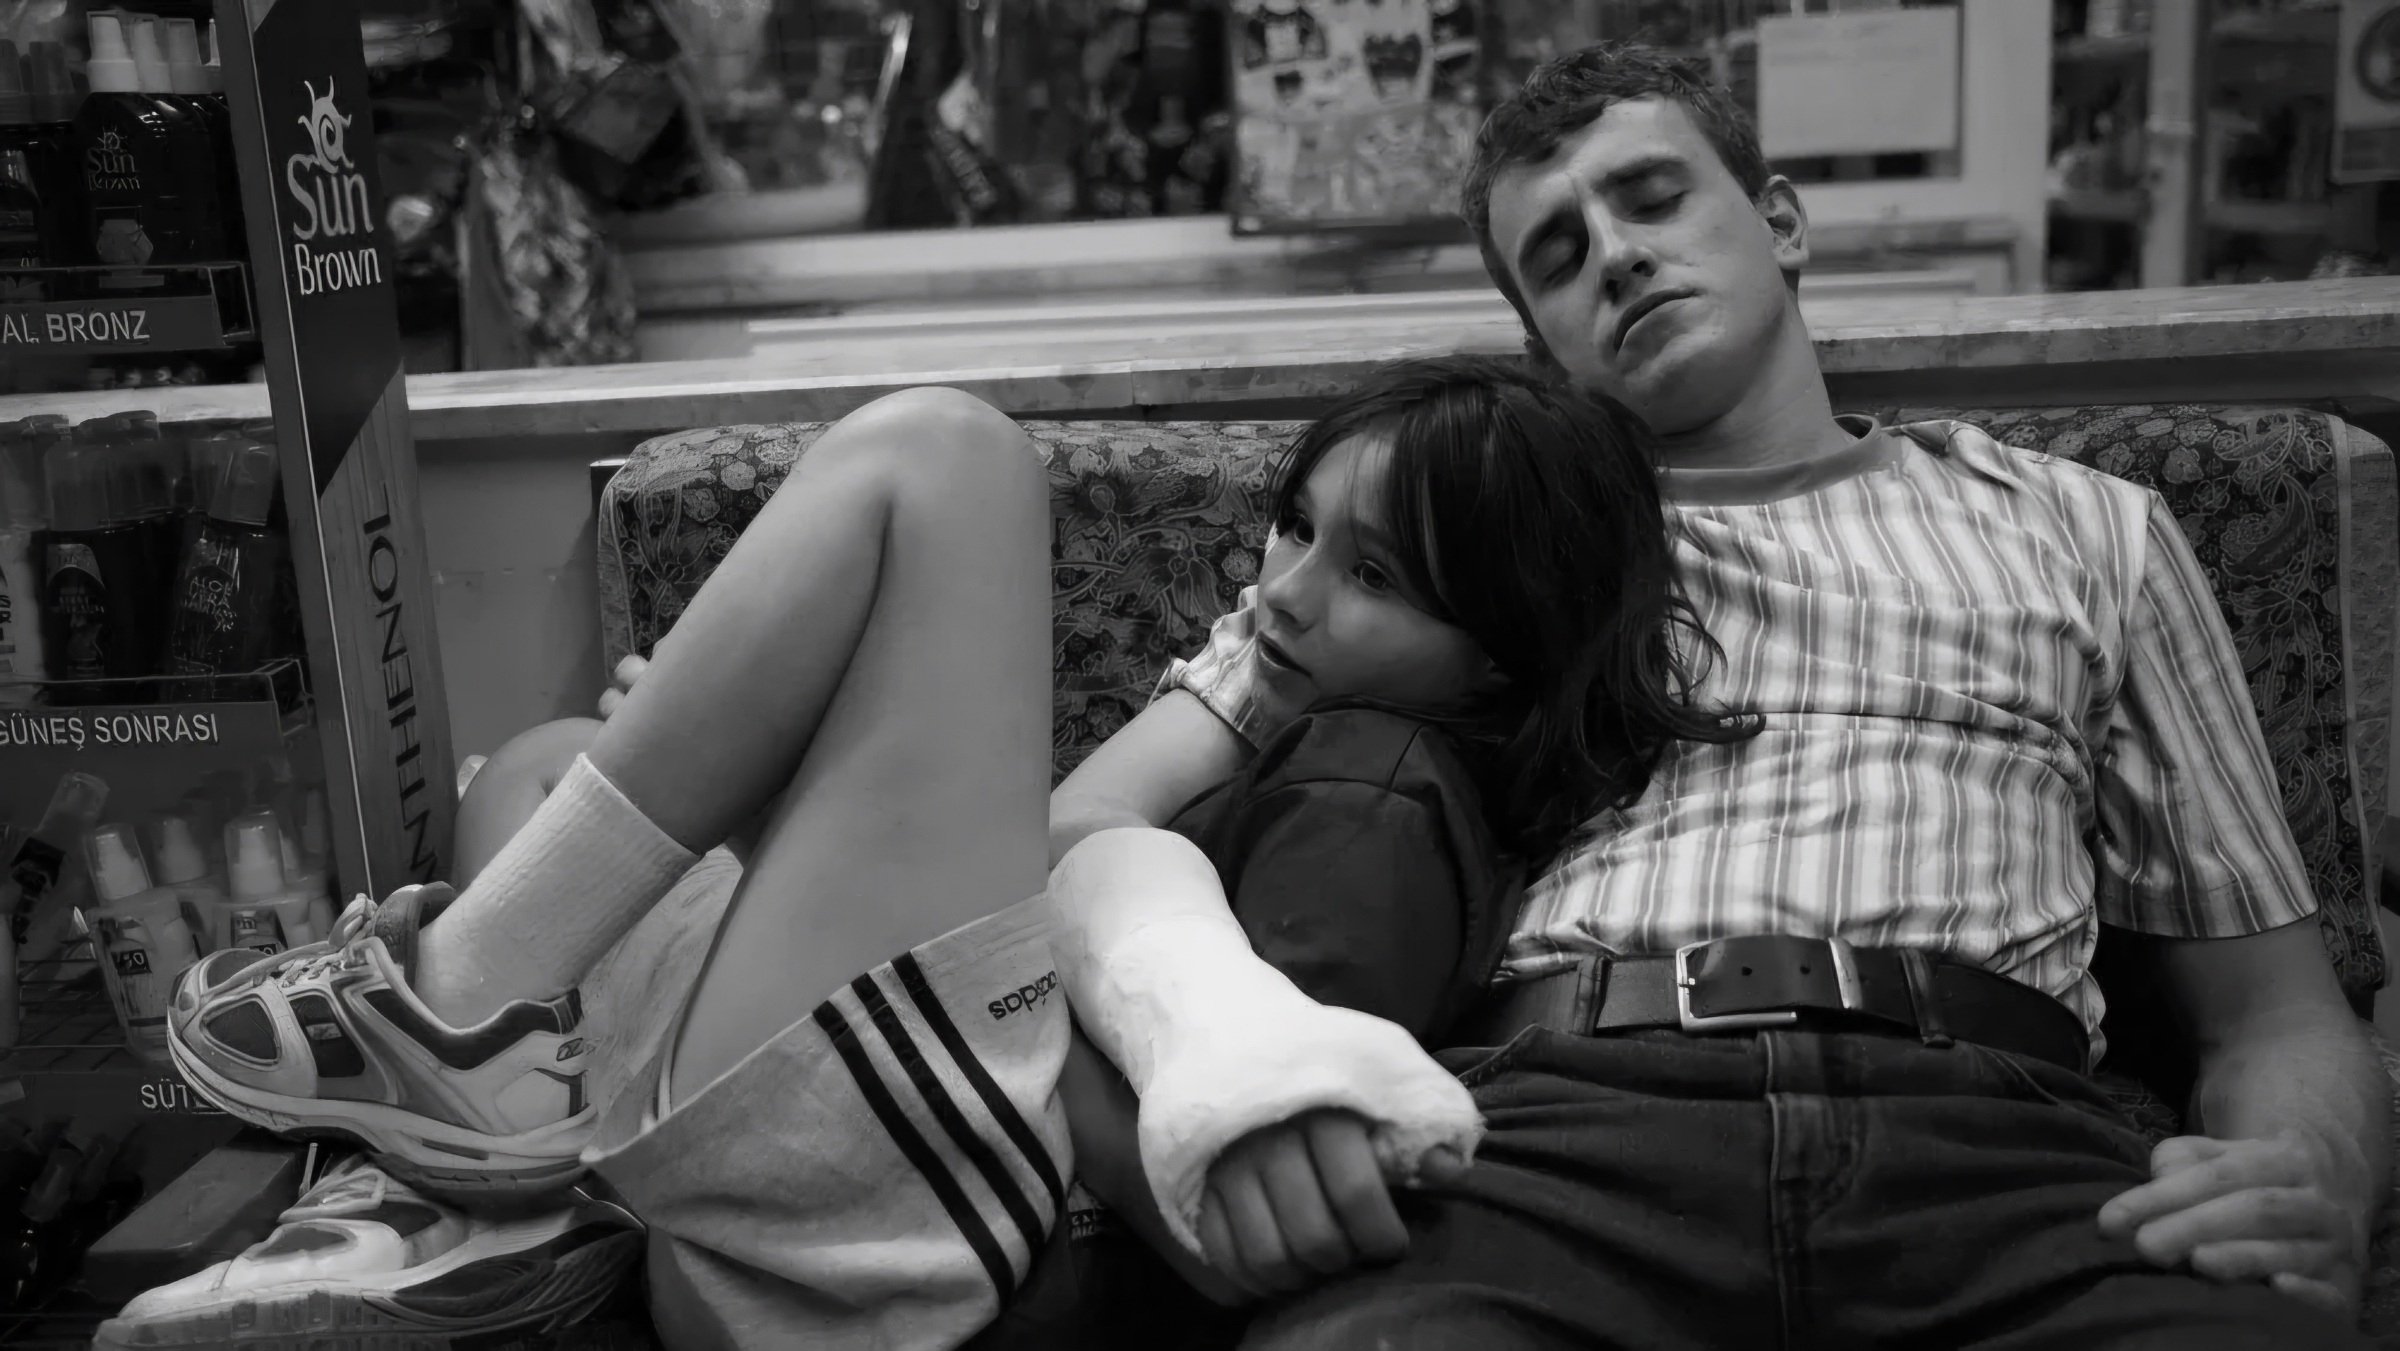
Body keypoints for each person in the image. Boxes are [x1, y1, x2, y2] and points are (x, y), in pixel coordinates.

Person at [1046, 40, 2388, 1350]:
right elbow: (1078, 829)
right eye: (1558, 257)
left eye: (1653, 198)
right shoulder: (1460, 532)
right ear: (1544, 346)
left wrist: (2309, 1176)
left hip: (2001, 1142)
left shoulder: (2092, 528)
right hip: (1555, 1136)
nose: (1617, 255)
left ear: (1781, 223)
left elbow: (2276, 1013)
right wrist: (1197, 1089)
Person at [149, 354, 1735, 1348]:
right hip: (903, 1160)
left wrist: (773, 818)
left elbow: (1201, 1166)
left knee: (946, 457)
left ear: (1499, 654)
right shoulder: (1298, 717)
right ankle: (491, 1176)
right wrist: (1237, 690)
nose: (1290, 589)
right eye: (1298, 524)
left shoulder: (1376, 796)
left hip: (932, 1250)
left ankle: (457, 1014)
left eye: (1374, 575)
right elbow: (1063, 855)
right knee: (549, 766)